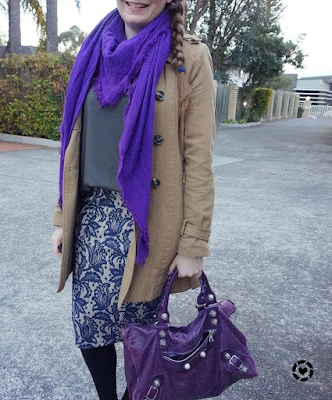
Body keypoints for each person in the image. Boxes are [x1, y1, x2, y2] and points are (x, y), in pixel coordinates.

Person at [51, 0, 215, 399]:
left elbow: (199, 159)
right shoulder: (94, 48)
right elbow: (73, 143)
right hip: (92, 217)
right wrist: (62, 218)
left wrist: (193, 243)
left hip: (148, 221)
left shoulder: (188, 55)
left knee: (141, 330)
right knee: (90, 324)